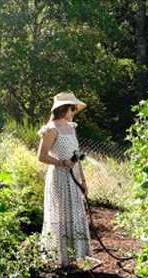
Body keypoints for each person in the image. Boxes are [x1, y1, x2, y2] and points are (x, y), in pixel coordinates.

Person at [37, 91, 92, 268]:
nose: (74, 111)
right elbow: (42, 156)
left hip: (74, 177)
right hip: (59, 178)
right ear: (64, 108)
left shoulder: (71, 127)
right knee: (61, 216)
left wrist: (83, 181)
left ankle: (77, 257)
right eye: (73, 108)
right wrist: (62, 163)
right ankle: (62, 259)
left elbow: (77, 157)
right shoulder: (50, 129)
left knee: (75, 215)